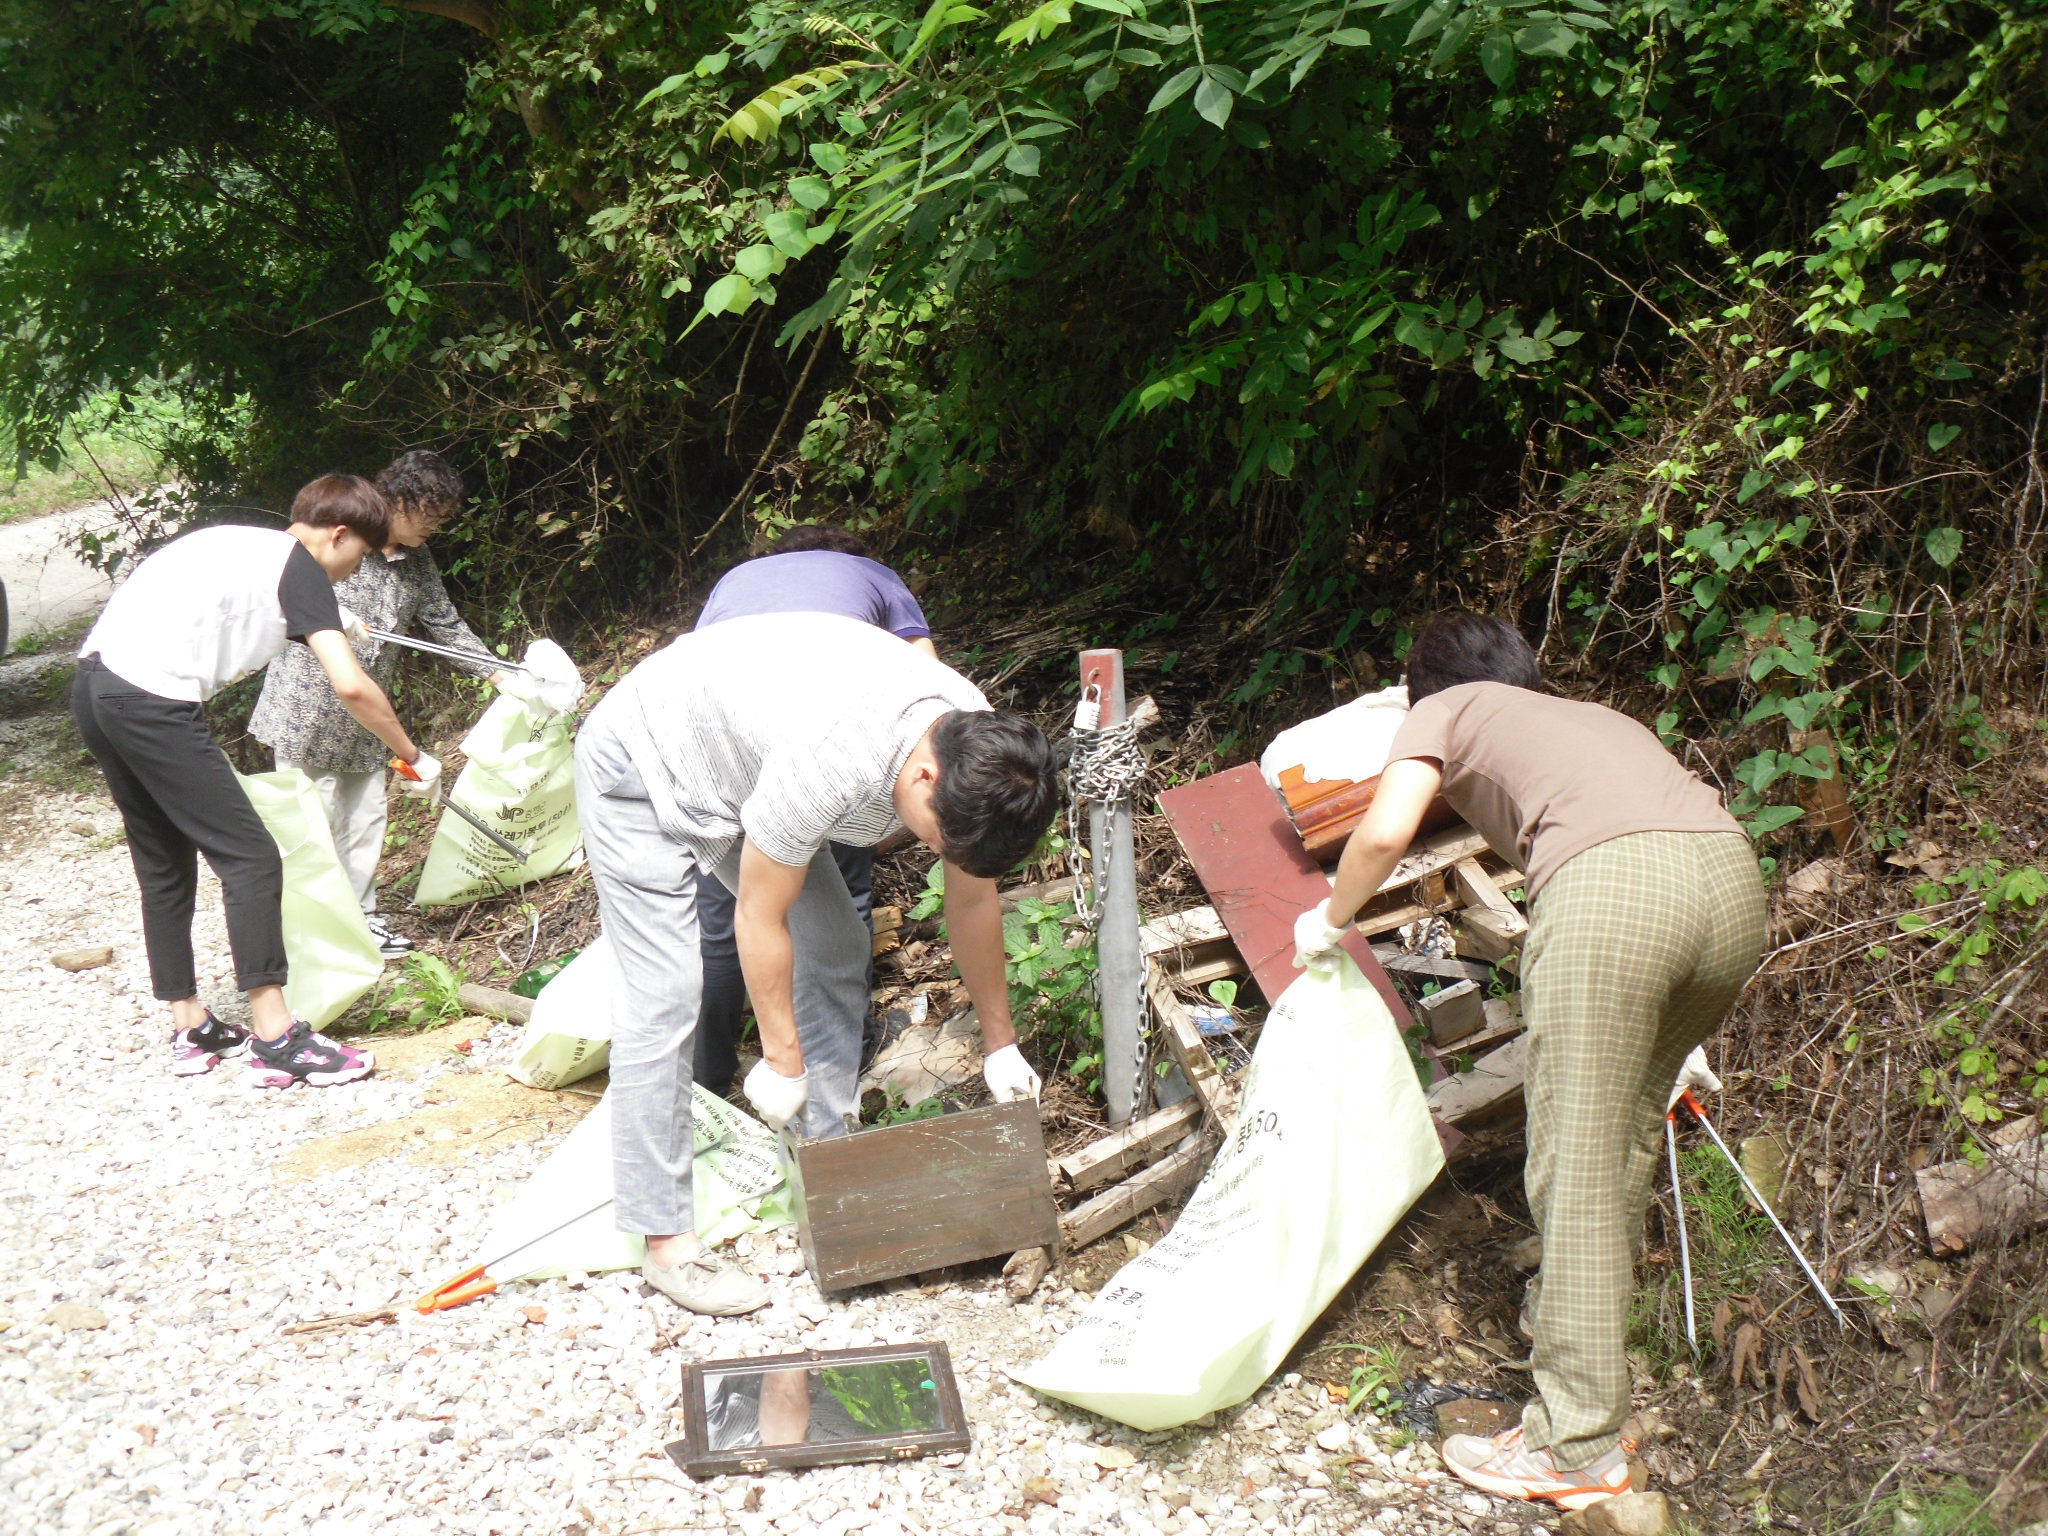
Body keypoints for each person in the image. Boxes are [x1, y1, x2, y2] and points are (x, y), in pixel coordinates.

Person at [1292, 612, 1764, 1512]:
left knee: (1575, 1165)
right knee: (1620, 1140)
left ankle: (1573, 1445)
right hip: (1732, 890)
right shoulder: (1595, 718)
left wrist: (1328, 922)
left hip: (1617, 898)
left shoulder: (1444, 707)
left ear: (1422, 682)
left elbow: (1387, 833)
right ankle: (1585, 1380)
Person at [574, 613, 1059, 1315]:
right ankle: (666, 1241)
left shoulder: (983, 757)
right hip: (644, 760)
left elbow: (974, 902)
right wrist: (781, 1060)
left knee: (836, 942)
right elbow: (761, 915)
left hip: (744, 763)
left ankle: (827, 1166)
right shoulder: (835, 756)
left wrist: (1000, 1045)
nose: (938, 851)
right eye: (936, 838)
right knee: (668, 993)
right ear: (924, 775)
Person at [73, 476, 444, 1088]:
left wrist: (326, 615)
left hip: (96, 686)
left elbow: (218, 604)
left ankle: (189, 1024)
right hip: (150, 701)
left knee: (164, 864)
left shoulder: (243, 543)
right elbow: (350, 686)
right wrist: (412, 754)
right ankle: (276, 1036)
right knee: (252, 857)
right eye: (358, 557)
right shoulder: (301, 570)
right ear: (339, 534)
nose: (353, 573)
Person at [689, 523, 938, 1095]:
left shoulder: (736, 578)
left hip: (715, 747)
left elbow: (695, 671)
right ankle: (833, 1060)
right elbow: (928, 684)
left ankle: (710, 1077)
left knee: (735, 911)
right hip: (831, 742)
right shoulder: (874, 575)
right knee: (840, 906)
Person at [250, 450, 509, 959]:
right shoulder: (341, 542)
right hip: (308, 709)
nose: (435, 527)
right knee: (313, 826)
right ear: (401, 502)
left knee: (367, 818)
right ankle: (312, 941)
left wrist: (501, 675)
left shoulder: (417, 560)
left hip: (370, 716)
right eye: (430, 515)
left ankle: (363, 921)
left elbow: (446, 625)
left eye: (442, 518)